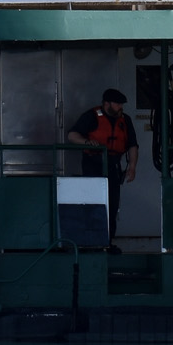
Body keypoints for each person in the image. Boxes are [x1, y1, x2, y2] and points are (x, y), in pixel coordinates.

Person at [65, 89, 137, 249]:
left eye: (121, 104)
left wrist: (132, 167)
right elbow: (72, 135)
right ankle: (91, 242)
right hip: (93, 164)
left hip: (113, 165)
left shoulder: (125, 120)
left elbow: (132, 145)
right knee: (93, 203)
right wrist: (86, 142)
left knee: (112, 204)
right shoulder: (91, 116)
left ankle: (107, 242)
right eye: (117, 104)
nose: (120, 107)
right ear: (106, 103)